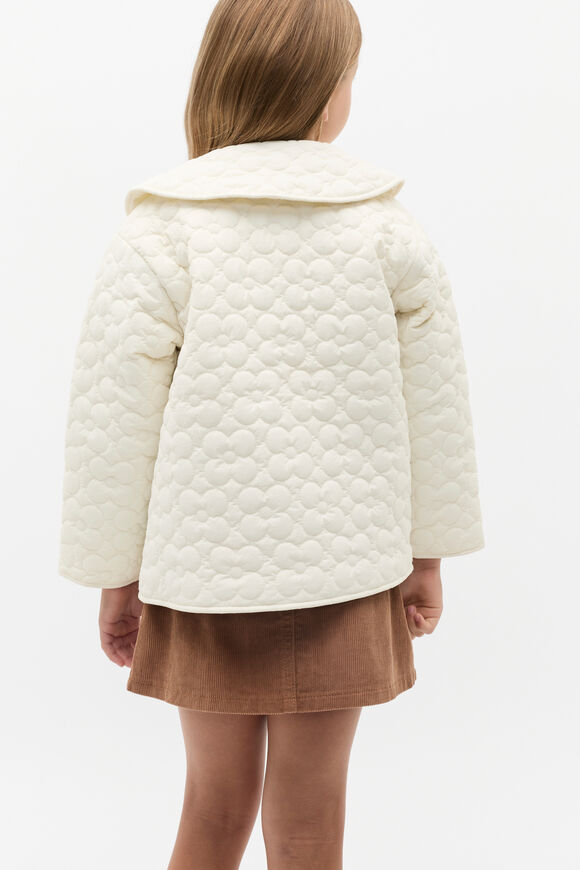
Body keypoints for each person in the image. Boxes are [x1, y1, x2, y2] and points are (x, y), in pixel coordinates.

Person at [57, 0, 485, 867]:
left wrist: (114, 574)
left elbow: (112, 423)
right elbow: (436, 407)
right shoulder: (386, 227)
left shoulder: (160, 230)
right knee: (311, 824)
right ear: (328, 91)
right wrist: (427, 554)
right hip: (348, 572)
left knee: (213, 811)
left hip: (201, 576)